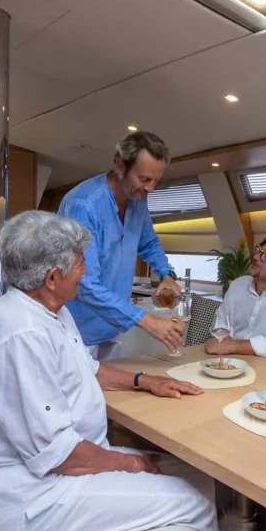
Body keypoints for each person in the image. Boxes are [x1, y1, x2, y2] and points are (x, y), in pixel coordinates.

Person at [0, 211, 219, 531]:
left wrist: (145, 381)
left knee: (196, 473)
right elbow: (59, 455)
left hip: (65, 469)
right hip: (32, 498)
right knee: (194, 502)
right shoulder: (20, 334)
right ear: (53, 277)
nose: (85, 272)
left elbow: (87, 368)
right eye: (81, 264)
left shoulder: (52, 311)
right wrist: (131, 464)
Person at [58, 131, 184, 360]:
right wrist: (146, 321)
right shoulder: (83, 206)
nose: (150, 188)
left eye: (155, 181)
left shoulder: (137, 198)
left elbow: (149, 242)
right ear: (120, 166)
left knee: (115, 384)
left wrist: (166, 275)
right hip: (77, 330)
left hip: (113, 325)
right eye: (144, 179)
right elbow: (85, 283)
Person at [203, 235, 266, 358]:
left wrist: (233, 346)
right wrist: (223, 339)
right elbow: (220, 320)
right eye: (258, 250)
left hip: (264, 365)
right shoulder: (238, 284)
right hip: (229, 358)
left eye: (265, 256)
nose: (255, 257)